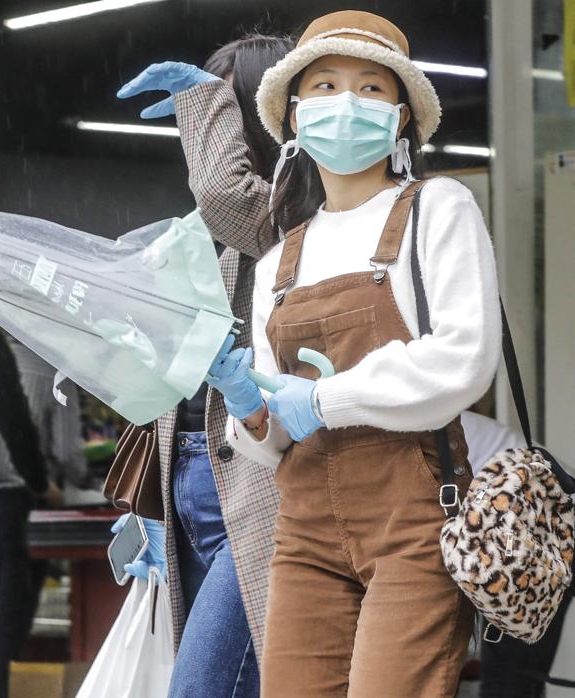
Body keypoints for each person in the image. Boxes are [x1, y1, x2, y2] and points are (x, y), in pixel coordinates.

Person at [206, 11, 502, 695]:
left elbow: (464, 357)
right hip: (303, 527)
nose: (347, 103)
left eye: (371, 89)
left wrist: (323, 399)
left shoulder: (439, 208)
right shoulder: (283, 258)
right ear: (295, 115)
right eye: (326, 86)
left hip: (414, 514)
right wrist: (250, 407)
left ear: (401, 120)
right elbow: (271, 444)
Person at [114, 33, 293, 697]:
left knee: (202, 689)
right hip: (190, 479)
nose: (196, 128)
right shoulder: (211, 237)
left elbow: (226, 193)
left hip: (265, 490)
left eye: (218, 109)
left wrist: (200, 97)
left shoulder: (303, 211)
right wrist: (149, 503)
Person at [459, 411, 575, 698]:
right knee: (515, 668)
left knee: (510, 667)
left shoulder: (420, 426)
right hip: (521, 522)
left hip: (551, 522)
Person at [0, 328, 63, 698]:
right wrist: (44, 484)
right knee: (7, 623)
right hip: (17, 504)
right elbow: (68, 454)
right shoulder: (53, 369)